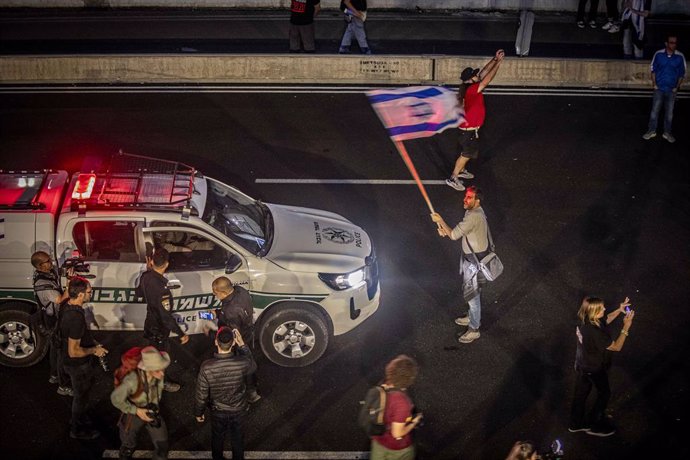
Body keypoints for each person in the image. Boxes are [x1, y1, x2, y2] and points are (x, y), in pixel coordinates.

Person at [431, 186, 491, 344]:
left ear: (477, 201)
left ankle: (474, 329)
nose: (465, 200)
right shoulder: (475, 212)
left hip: (474, 262)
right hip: (474, 258)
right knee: (472, 293)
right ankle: (472, 317)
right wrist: (445, 230)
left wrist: (440, 221)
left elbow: (454, 235)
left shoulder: (472, 216)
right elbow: (460, 233)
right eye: (466, 196)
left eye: (469, 197)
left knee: (473, 296)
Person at [569, 296, 635, 437]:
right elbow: (616, 347)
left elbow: (605, 320)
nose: (605, 309)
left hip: (581, 364)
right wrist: (626, 327)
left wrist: (619, 309)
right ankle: (595, 424)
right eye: (601, 308)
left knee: (580, 395)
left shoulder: (585, 320)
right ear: (593, 312)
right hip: (593, 368)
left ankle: (575, 424)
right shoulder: (595, 333)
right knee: (604, 394)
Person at [445, 49, 505, 192]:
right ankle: (454, 177)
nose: (477, 76)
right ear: (470, 79)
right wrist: (499, 64)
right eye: (475, 76)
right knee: (467, 154)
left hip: (468, 130)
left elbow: (483, 73)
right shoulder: (472, 90)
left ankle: (462, 170)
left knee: (467, 152)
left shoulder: (469, 87)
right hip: (469, 132)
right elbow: (487, 79)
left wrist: (495, 59)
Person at [195, 327, 257, 460]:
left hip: (218, 411)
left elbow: (202, 394)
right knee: (238, 439)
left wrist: (199, 413)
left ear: (216, 342)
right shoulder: (242, 362)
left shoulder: (207, 366)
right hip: (239, 409)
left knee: (217, 438)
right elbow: (253, 366)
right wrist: (243, 345)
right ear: (233, 342)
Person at [58, 276, 108, 440]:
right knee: (80, 397)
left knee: (83, 394)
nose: (90, 293)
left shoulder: (67, 306)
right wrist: (94, 350)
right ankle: (77, 429)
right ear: (80, 294)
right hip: (77, 365)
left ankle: (80, 418)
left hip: (72, 363)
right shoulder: (76, 318)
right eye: (88, 291)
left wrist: (91, 341)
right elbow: (74, 351)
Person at [136, 247, 189, 392]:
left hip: (150, 323)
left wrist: (148, 270)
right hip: (158, 329)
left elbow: (139, 293)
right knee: (160, 357)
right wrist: (181, 333)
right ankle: (159, 384)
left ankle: (150, 380)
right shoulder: (162, 288)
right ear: (166, 264)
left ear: (152, 262)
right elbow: (165, 317)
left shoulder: (145, 277)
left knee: (151, 354)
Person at [111, 346, 171, 460]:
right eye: (158, 370)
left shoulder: (157, 373)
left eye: (162, 368)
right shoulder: (132, 380)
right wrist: (137, 411)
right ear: (147, 368)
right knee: (128, 445)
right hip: (134, 413)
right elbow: (116, 399)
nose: (162, 374)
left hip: (152, 411)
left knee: (162, 447)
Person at [211, 276, 260, 402]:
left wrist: (231, 345)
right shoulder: (240, 290)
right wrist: (219, 312)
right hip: (249, 331)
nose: (214, 295)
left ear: (223, 292)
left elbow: (234, 332)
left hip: (241, 338)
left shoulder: (230, 311)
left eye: (216, 293)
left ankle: (251, 392)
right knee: (249, 361)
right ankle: (253, 388)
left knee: (244, 364)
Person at [31, 250, 72, 396]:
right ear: (40, 266)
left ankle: (54, 376)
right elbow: (60, 299)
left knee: (54, 349)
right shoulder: (43, 282)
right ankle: (64, 386)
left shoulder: (43, 274)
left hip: (51, 317)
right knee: (61, 353)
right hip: (53, 320)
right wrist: (70, 284)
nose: (51, 263)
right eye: (48, 261)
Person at [370, 355, 422, 460]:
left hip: (378, 442)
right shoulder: (402, 403)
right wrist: (414, 422)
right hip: (396, 449)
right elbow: (397, 433)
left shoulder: (382, 387)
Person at [642, 35, 686, 143]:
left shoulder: (680, 57)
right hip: (659, 88)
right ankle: (651, 130)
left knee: (669, 113)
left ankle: (667, 132)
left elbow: (682, 73)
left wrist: (677, 87)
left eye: (675, 43)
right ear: (666, 43)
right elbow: (653, 69)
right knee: (654, 111)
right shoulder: (658, 54)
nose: (673, 45)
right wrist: (654, 84)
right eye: (671, 42)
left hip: (671, 90)